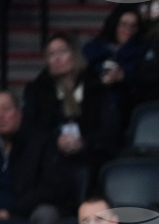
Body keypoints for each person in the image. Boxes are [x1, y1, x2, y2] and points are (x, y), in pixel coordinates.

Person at [23, 33, 121, 167]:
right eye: (51, 55)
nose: (57, 58)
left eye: (62, 52)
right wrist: (56, 141)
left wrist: (84, 141)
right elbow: (31, 129)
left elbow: (109, 128)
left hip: (91, 159)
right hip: (50, 162)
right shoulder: (36, 91)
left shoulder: (96, 88)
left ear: (74, 55)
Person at [0, 91, 71, 224]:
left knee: (46, 214)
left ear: (20, 112)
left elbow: (50, 189)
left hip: (26, 211)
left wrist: (9, 212)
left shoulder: (41, 142)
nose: (1, 116)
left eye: (7, 109)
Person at [82, 5, 149, 114]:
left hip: (128, 105)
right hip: (96, 104)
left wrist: (123, 75)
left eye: (133, 26)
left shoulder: (143, 49)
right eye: (124, 25)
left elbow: (145, 76)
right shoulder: (96, 47)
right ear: (115, 24)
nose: (128, 30)